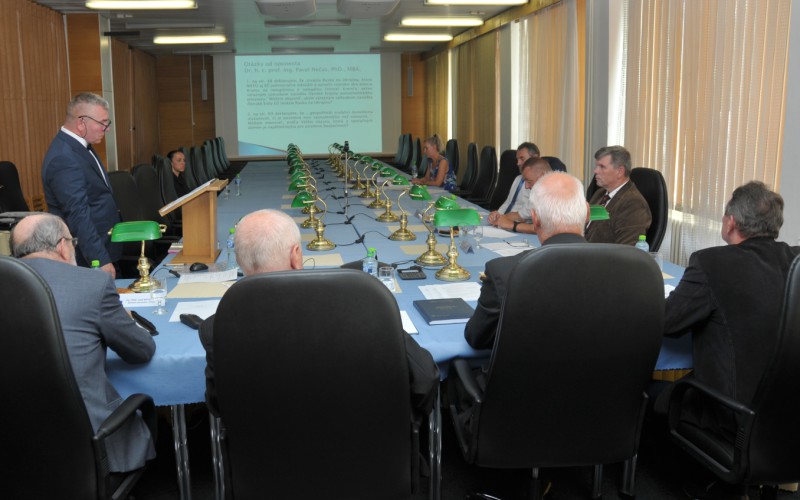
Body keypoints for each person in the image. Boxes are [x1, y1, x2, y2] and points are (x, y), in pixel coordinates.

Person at [199, 209, 439, 424]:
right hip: (370, 453)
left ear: (239, 260)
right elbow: (425, 378)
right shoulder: (364, 309)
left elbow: (218, 405)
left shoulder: (217, 327)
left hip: (262, 457)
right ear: (296, 256)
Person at [10, 213, 156, 473]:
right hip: (87, 447)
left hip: (15, 447)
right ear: (62, 247)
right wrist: (125, 319)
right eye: (73, 242)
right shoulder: (92, 284)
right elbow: (141, 351)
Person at [655, 181, 800, 436]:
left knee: (651, 396)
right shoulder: (794, 260)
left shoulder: (711, 263)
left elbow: (668, 321)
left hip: (731, 413)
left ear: (731, 222)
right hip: (787, 412)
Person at [465, 171, 590, 350]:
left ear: (535, 219)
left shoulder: (505, 272)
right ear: (587, 213)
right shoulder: (627, 270)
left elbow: (477, 338)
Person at [42, 93, 122, 277]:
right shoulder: (64, 157)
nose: (107, 128)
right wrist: (99, 259)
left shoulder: (80, 146)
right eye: (103, 122)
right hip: (88, 258)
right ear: (81, 123)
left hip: (104, 245)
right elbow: (78, 213)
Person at [585, 146, 651, 246]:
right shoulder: (600, 193)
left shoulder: (634, 204)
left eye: (602, 167)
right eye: (597, 166)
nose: (596, 171)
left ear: (620, 171)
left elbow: (625, 250)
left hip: (599, 255)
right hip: (581, 249)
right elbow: (588, 229)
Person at [490, 157, 552, 234]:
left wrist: (512, 225)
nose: (526, 186)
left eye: (529, 181)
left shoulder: (558, 193)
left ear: (542, 176)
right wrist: (499, 218)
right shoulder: (538, 192)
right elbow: (521, 215)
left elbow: (544, 228)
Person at [487, 142, 540, 225]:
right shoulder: (518, 179)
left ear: (535, 158)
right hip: (504, 221)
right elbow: (508, 202)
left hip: (519, 225)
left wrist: (502, 218)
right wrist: (497, 214)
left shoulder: (538, 184)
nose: (518, 163)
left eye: (522, 159)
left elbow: (525, 214)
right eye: (517, 159)